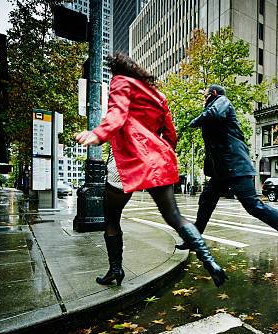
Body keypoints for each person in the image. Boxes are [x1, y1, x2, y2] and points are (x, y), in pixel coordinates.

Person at [75, 54, 228, 287]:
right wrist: (163, 153)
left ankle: (115, 270)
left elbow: (116, 115)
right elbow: (171, 133)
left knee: (111, 218)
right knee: (174, 216)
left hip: (126, 160)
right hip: (157, 158)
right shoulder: (158, 95)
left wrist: (97, 134)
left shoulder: (120, 81)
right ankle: (210, 262)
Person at [175, 84, 278, 250]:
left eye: (205, 96)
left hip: (236, 166)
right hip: (222, 170)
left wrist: (195, 121)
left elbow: (215, 114)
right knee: (206, 201)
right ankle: (193, 240)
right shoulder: (212, 109)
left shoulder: (221, 101)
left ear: (214, 93)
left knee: (253, 206)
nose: (204, 99)